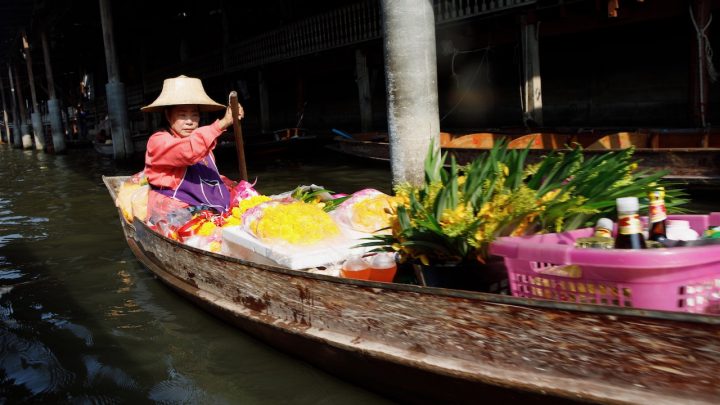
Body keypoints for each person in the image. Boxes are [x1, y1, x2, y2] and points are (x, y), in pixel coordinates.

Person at [140, 75, 244, 221]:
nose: (190, 121)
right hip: (177, 212)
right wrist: (222, 123)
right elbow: (187, 151)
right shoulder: (158, 141)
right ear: (168, 116)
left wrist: (235, 186)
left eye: (194, 115)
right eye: (182, 115)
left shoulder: (203, 143)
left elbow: (206, 176)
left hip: (211, 207)